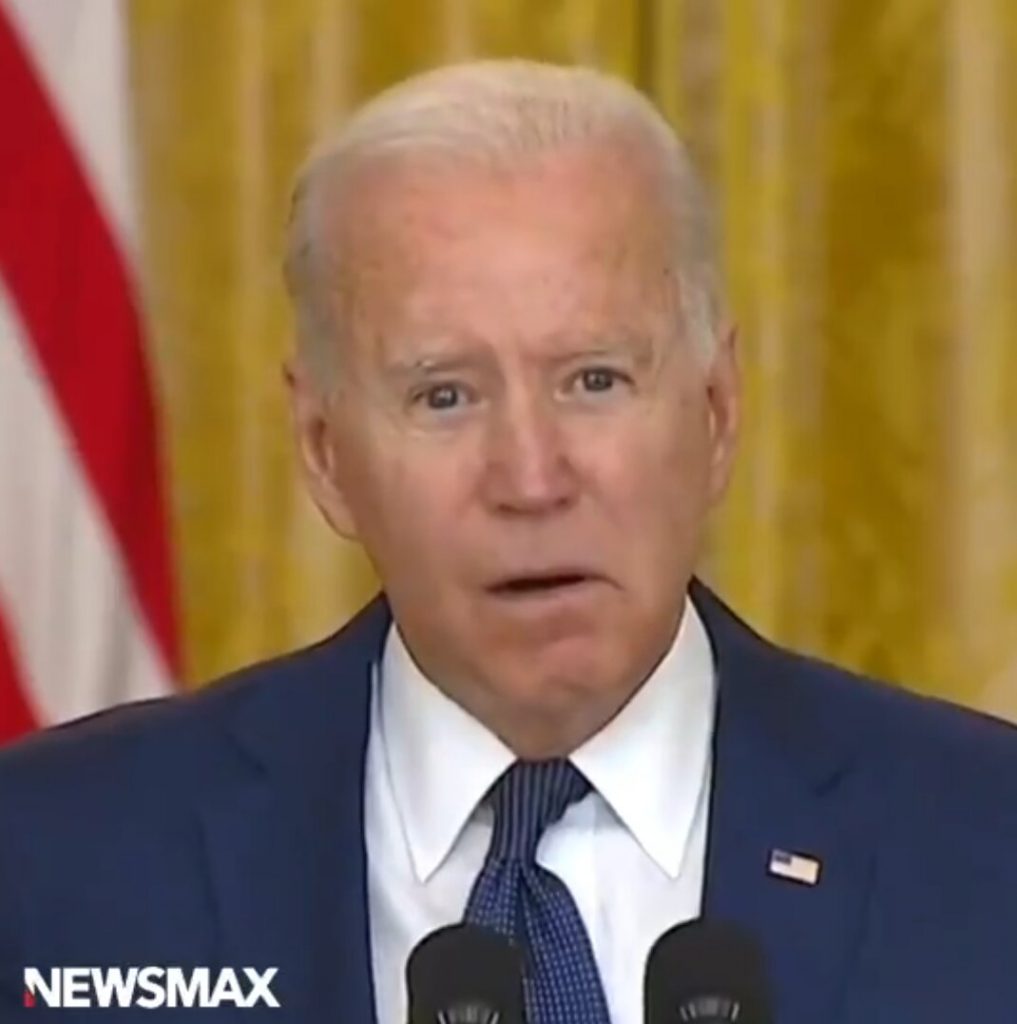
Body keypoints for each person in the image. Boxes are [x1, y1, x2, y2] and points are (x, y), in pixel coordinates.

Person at [1, 60, 1016, 1024]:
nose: (531, 478)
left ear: (715, 414)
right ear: (324, 452)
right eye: (444, 395)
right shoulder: (53, 860)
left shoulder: (984, 843)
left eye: (594, 381)